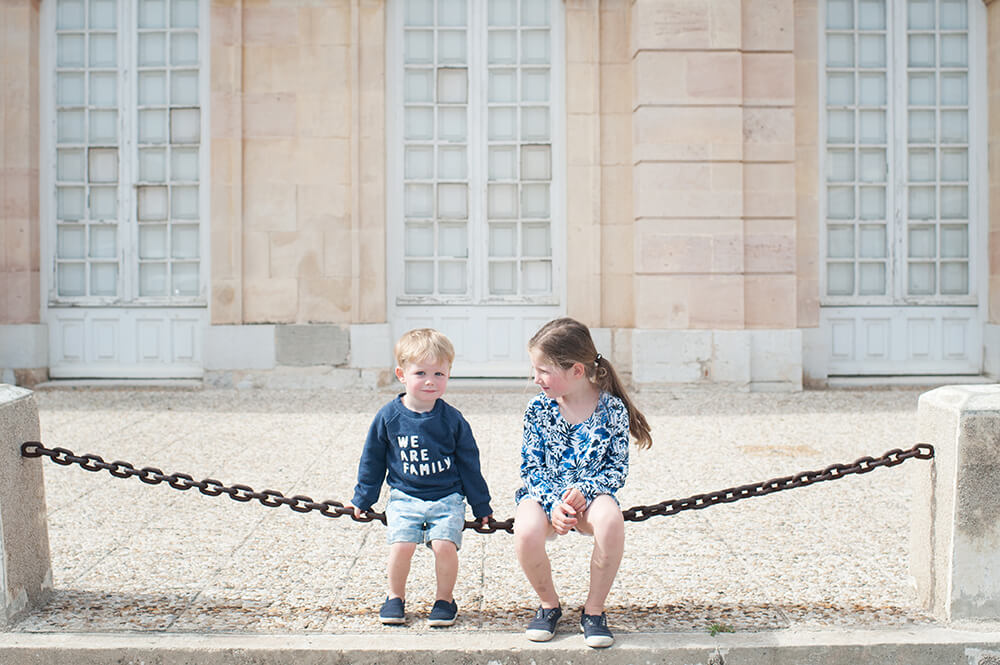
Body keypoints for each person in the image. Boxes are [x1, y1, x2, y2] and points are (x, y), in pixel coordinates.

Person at [513, 317, 652, 648]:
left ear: (577, 371)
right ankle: (548, 604)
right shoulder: (538, 409)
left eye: (544, 371)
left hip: (591, 496)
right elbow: (531, 466)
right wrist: (552, 504)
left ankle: (594, 611)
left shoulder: (611, 409)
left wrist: (586, 491)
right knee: (527, 529)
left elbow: (617, 469)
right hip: (544, 493)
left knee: (610, 520)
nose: (536, 379)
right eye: (535, 369)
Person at [349, 328, 492, 627]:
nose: (430, 381)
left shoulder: (452, 419)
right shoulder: (389, 416)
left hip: (447, 497)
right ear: (402, 374)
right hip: (405, 496)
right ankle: (394, 596)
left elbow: (469, 464)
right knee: (401, 545)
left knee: (444, 545)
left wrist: (481, 507)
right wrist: (363, 499)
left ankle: (444, 600)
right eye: (421, 373)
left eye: (439, 373)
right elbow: (372, 460)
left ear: (449, 374)